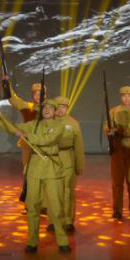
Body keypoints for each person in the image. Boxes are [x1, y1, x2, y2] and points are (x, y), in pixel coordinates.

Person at [0, 99, 71, 253]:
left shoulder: (59, 125)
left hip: (52, 168)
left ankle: (62, 240)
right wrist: (1, 117)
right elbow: (14, 129)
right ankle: (32, 241)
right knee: (32, 207)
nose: (46, 110)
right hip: (34, 168)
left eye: (50, 108)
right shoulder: (33, 125)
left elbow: (48, 140)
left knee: (56, 207)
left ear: (55, 111)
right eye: (44, 108)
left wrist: (27, 136)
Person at [105, 85, 130, 219]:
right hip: (118, 147)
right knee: (117, 182)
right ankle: (117, 210)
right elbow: (107, 126)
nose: (127, 98)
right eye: (124, 96)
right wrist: (109, 131)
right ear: (120, 97)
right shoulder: (113, 111)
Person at [52, 96, 84, 234]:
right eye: (58, 107)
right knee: (52, 192)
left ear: (67, 108)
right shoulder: (48, 122)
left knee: (68, 191)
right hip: (52, 159)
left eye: (64, 107)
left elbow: (79, 146)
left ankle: (68, 220)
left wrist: (79, 165)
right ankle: (53, 221)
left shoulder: (73, 123)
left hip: (67, 159)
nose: (61, 109)